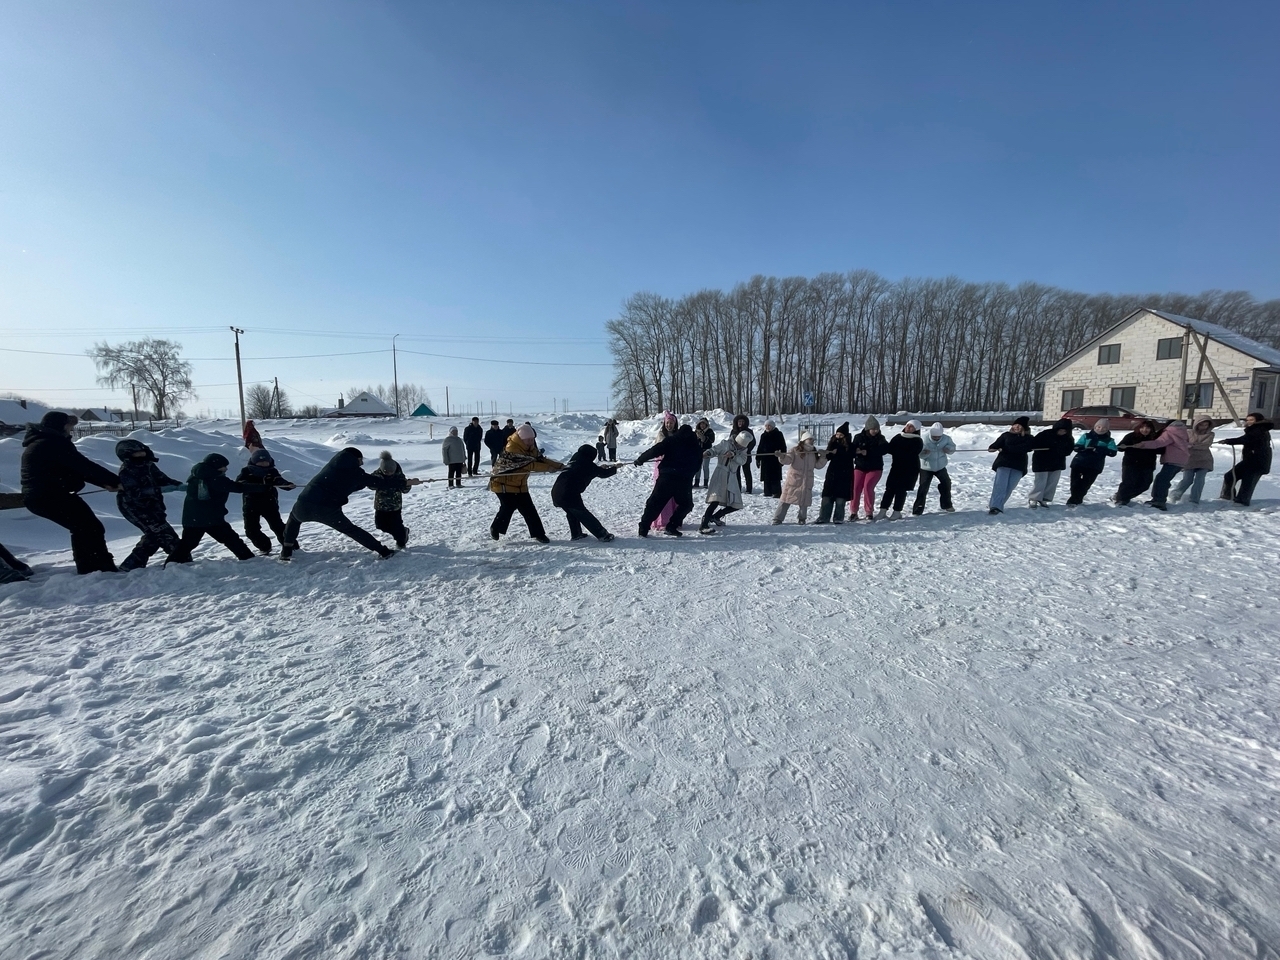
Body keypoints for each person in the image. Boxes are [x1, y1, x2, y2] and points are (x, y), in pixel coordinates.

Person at [20, 411, 121, 574]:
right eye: (69, 425)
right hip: (50, 496)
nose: (71, 430)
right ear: (60, 426)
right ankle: (96, 568)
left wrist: (106, 483)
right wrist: (115, 482)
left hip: (44, 496)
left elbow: (77, 470)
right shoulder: (53, 443)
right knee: (89, 527)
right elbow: (84, 466)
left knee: (85, 527)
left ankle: (93, 567)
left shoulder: (42, 441)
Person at [283, 447, 420, 560]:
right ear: (357, 459)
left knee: (293, 520)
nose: (362, 463)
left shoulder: (332, 466)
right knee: (351, 530)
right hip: (327, 509)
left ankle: (286, 550)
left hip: (303, 502)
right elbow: (380, 483)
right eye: (361, 460)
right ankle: (383, 551)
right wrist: (405, 483)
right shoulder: (354, 471)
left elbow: (349, 484)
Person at [115, 438, 187, 571]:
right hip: (134, 507)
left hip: (153, 506)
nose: (141, 454)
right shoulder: (127, 470)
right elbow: (134, 493)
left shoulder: (148, 465)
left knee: (154, 535)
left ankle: (131, 565)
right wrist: (159, 490)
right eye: (137, 453)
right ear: (126, 454)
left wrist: (178, 485)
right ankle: (180, 560)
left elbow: (162, 479)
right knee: (164, 534)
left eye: (142, 451)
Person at [489, 424, 564, 542]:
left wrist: (560, 466)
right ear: (521, 439)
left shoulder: (531, 448)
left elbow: (540, 459)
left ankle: (539, 534)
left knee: (529, 509)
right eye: (528, 440)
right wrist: (548, 468)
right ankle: (495, 528)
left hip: (519, 484)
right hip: (502, 483)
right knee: (508, 506)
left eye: (532, 439)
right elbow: (528, 464)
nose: (530, 442)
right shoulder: (512, 447)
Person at [177, 454, 255, 561]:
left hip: (193, 518)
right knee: (231, 539)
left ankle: (172, 563)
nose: (226, 468)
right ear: (216, 466)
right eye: (223, 466)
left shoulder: (198, 475)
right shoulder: (215, 479)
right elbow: (238, 487)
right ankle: (248, 558)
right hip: (210, 518)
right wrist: (264, 487)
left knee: (186, 544)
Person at [634, 422, 702, 537]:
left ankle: (644, 527)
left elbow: (655, 450)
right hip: (684, 481)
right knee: (686, 504)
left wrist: (641, 459)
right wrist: (689, 474)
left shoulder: (672, 440)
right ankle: (672, 525)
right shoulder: (696, 446)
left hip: (667, 478)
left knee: (655, 503)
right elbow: (697, 466)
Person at [552, 444, 619, 541]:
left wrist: (599, 467)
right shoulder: (588, 465)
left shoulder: (575, 461)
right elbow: (603, 473)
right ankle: (603, 535)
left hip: (557, 492)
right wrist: (615, 468)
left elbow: (593, 469)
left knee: (572, 512)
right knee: (583, 514)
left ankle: (576, 534)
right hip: (569, 494)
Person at [236, 448, 295, 554]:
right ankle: (264, 546)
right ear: (254, 461)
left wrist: (287, 485)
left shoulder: (272, 471)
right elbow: (239, 484)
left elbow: (278, 480)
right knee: (251, 530)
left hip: (269, 503)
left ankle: (291, 546)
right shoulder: (246, 471)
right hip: (250, 504)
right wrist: (254, 487)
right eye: (260, 461)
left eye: (265, 461)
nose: (263, 463)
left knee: (277, 526)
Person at [1124, 419, 1189, 511]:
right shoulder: (1182, 431)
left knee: (1161, 480)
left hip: (1173, 460)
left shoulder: (1170, 432)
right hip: (1181, 460)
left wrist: (1143, 444)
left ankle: (1159, 501)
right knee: (1163, 479)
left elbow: (1158, 443)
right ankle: (1157, 499)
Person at [699, 431, 753, 534]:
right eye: (738, 444)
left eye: (741, 446)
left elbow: (742, 461)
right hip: (720, 473)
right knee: (715, 499)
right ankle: (704, 524)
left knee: (736, 504)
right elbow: (714, 450)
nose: (739, 446)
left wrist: (733, 455)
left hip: (732, 477)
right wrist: (708, 453)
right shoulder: (725, 444)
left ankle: (716, 516)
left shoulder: (743, 451)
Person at [1219, 412, 1273, 506]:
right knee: (1230, 476)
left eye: (1251, 420)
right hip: (1249, 461)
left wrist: (1228, 441)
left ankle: (1242, 502)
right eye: (1247, 420)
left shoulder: (1260, 430)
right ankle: (1228, 497)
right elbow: (1246, 438)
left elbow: (1246, 439)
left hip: (1258, 463)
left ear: (1258, 420)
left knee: (1247, 482)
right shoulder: (1253, 430)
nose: (1248, 422)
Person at [773, 430, 826, 524]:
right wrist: (781, 456)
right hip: (794, 480)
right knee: (785, 499)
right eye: (810, 439)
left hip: (807, 480)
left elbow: (818, 465)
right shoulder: (794, 450)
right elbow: (787, 460)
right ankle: (778, 518)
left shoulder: (813, 452)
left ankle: (802, 518)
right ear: (804, 440)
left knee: (804, 501)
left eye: (813, 439)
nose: (812, 441)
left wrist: (823, 457)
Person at [986, 416, 1036, 514]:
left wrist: (1006, 448)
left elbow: (1026, 447)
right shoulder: (1006, 435)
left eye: (1019, 425)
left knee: (1009, 487)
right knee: (1000, 486)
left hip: (1019, 465)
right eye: (1015, 425)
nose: (1016, 427)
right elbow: (994, 446)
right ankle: (995, 506)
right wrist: (993, 448)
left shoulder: (1029, 438)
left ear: (1024, 427)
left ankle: (998, 504)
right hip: (1004, 463)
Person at [1065, 418, 1118, 506]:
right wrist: (1083, 448)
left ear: (1107, 430)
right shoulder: (1086, 436)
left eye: (1104, 428)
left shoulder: (1109, 440)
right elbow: (1077, 446)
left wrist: (1098, 449)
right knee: (1075, 483)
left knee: (1085, 484)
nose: (1100, 429)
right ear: (1094, 427)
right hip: (1079, 462)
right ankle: (1074, 499)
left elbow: (1113, 452)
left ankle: (1075, 500)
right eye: (1098, 427)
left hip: (1094, 466)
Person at [876, 420, 922, 519]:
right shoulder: (898, 437)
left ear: (916, 429)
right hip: (896, 467)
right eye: (907, 425)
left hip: (910, 469)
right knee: (889, 489)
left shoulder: (917, 440)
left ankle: (897, 511)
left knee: (901, 490)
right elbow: (890, 448)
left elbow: (910, 454)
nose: (908, 427)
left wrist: (897, 451)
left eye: (911, 426)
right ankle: (883, 510)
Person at [1028, 418, 1076, 507]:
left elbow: (1068, 451)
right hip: (1041, 462)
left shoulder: (1068, 438)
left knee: (1052, 482)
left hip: (1057, 463)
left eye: (1064, 431)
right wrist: (1048, 447)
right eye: (1060, 430)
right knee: (1040, 481)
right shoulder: (1045, 434)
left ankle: (1045, 499)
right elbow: (1034, 444)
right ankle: (1034, 498)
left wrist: (1058, 450)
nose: (1062, 432)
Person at [1112, 419, 1160, 505]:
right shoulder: (1131, 436)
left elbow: (1161, 450)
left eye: (1147, 428)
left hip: (1147, 465)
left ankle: (1120, 496)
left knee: (1145, 484)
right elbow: (1119, 447)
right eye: (1142, 428)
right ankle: (1121, 500)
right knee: (1128, 482)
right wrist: (1123, 447)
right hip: (1131, 463)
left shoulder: (1155, 438)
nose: (1145, 430)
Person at [851, 416, 890, 520]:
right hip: (860, 466)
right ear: (868, 428)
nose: (875, 431)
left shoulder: (880, 438)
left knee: (868, 487)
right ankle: (853, 511)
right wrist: (857, 451)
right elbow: (852, 449)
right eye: (873, 429)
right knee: (855, 488)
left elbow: (884, 449)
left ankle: (869, 511)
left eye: (877, 429)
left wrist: (868, 452)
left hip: (875, 468)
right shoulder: (859, 437)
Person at [913, 422, 956, 515]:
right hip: (926, 467)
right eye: (934, 437)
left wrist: (948, 449)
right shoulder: (924, 439)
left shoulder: (946, 438)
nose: (936, 438)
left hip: (940, 466)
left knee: (946, 483)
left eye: (938, 437)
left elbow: (953, 447)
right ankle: (918, 508)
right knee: (923, 487)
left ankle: (947, 504)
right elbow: (918, 453)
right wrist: (925, 453)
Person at [1170, 416, 1215, 505]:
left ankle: (1194, 499)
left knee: (1200, 480)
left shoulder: (1210, 434)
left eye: (1206, 425)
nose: (1204, 427)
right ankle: (1174, 495)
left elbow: (1205, 445)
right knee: (1187, 479)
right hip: (1189, 459)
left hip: (1204, 460)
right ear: (1197, 424)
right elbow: (1183, 443)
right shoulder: (1188, 432)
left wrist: (1192, 445)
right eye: (1201, 424)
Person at [372, 451, 412, 548]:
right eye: (386, 472)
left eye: (391, 471)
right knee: (380, 525)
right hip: (380, 506)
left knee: (396, 526)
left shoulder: (399, 477)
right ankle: (403, 532)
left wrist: (408, 484)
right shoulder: (377, 476)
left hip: (395, 507)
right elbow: (371, 486)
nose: (389, 473)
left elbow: (405, 490)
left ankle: (401, 541)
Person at [815, 423, 853, 524]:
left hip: (845, 473)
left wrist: (839, 452)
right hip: (832, 472)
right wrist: (825, 454)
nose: (838, 436)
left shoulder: (850, 444)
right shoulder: (832, 442)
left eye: (841, 435)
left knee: (841, 498)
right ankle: (823, 517)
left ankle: (838, 517)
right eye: (837, 434)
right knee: (827, 496)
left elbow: (850, 454)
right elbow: (829, 456)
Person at [755, 420, 787, 498]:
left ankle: (776, 492)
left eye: (769, 426)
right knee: (766, 476)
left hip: (775, 459)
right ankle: (767, 492)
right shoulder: (763, 435)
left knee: (775, 476)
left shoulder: (778, 434)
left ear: (773, 426)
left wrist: (782, 456)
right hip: (765, 459)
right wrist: (758, 458)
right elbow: (760, 447)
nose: (767, 427)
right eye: (766, 426)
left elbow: (783, 446)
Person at [730, 414, 756, 494]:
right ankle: (738, 487)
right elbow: (730, 442)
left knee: (747, 471)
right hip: (735, 454)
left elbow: (753, 442)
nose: (740, 423)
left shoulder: (749, 431)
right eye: (739, 421)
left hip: (746, 455)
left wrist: (746, 450)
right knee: (736, 471)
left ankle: (749, 488)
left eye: (742, 421)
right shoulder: (733, 431)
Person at [694, 417, 715, 488]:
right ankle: (696, 482)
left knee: (705, 467)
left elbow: (712, 440)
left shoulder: (710, 431)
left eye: (704, 424)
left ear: (706, 425)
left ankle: (706, 482)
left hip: (707, 451)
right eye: (701, 424)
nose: (702, 426)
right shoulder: (696, 431)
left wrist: (704, 438)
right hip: (698, 451)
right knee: (697, 467)